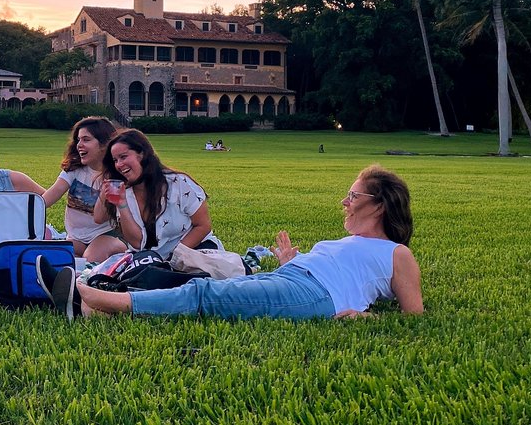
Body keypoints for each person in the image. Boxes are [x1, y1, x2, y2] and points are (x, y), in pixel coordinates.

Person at [74, 164, 424, 321]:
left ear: (378, 204)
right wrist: (290, 262)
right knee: (207, 288)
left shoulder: (396, 252)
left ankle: (113, 302)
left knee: (205, 296)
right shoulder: (351, 242)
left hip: (315, 296)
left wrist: (367, 319)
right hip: (295, 281)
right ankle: (107, 309)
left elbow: (414, 314)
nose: (344, 201)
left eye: (352, 194)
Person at [93, 128, 222, 259]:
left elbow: (203, 226)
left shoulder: (177, 183)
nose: (119, 164)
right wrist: (121, 205)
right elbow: (137, 244)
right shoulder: (124, 193)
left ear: (142, 154)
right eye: (115, 160)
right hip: (152, 261)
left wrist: (174, 258)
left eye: (123, 157)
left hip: (195, 252)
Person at [40, 116, 126, 260]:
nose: (79, 144)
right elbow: (49, 197)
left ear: (105, 144)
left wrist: (108, 180)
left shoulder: (115, 178)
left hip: (107, 235)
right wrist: (24, 212)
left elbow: (100, 218)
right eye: (78, 140)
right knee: (59, 257)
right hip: (77, 237)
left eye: (86, 140)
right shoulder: (74, 170)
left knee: (91, 257)